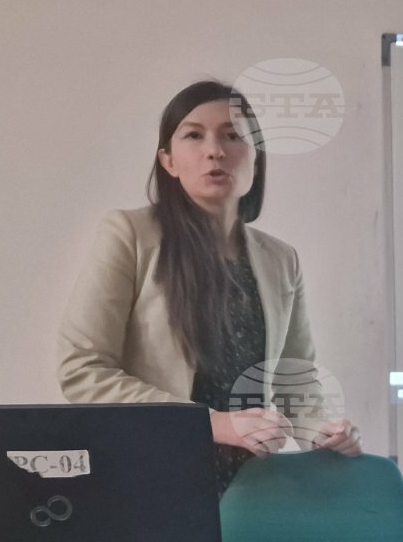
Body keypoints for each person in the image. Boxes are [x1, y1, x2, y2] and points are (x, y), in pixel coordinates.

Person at [58, 80, 361, 494]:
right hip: (150, 478)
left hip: (252, 486)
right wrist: (210, 423)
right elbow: (83, 369)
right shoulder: (128, 234)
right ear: (168, 161)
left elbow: (296, 380)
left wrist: (323, 432)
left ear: (257, 159)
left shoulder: (281, 259)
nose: (215, 150)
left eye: (233, 136)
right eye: (194, 135)